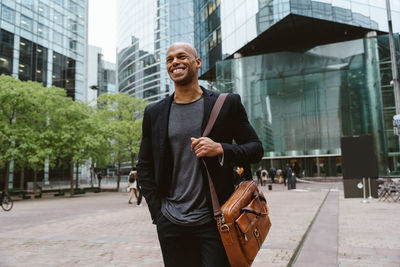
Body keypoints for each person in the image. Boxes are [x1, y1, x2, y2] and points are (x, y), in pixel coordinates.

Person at [137, 42, 263, 267]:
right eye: (170, 59)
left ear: (197, 62)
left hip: (216, 220)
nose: (175, 62)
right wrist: (158, 213)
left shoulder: (227, 104)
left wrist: (222, 148)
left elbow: (256, 149)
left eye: (182, 57)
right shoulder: (154, 112)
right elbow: (144, 166)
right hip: (171, 221)